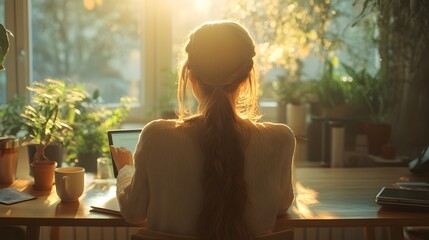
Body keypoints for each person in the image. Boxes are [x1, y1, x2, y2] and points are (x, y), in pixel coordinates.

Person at [110, 20, 295, 240]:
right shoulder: (281, 139)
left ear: (191, 77)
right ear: (245, 79)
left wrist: (125, 171)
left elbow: (134, 213)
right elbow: (282, 206)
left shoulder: (156, 136)